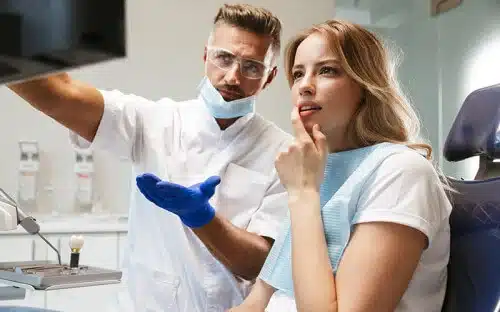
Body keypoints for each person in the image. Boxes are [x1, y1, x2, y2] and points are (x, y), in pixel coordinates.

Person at [7, 4, 293, 311]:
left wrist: (202, 218)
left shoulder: (283, 152)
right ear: (206, 56)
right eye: (224, 58)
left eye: (251, 67)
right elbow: (60, 94)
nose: (233, 77)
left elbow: (260, 264)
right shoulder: (153, 121)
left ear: (270, 76)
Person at [229, 19, 452, 312]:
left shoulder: (402, 172)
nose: (304, 86)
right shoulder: (318, 169)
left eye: (327, 71)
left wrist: (303, 194)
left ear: (366, 85)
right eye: (298, 74)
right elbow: (257, 303)